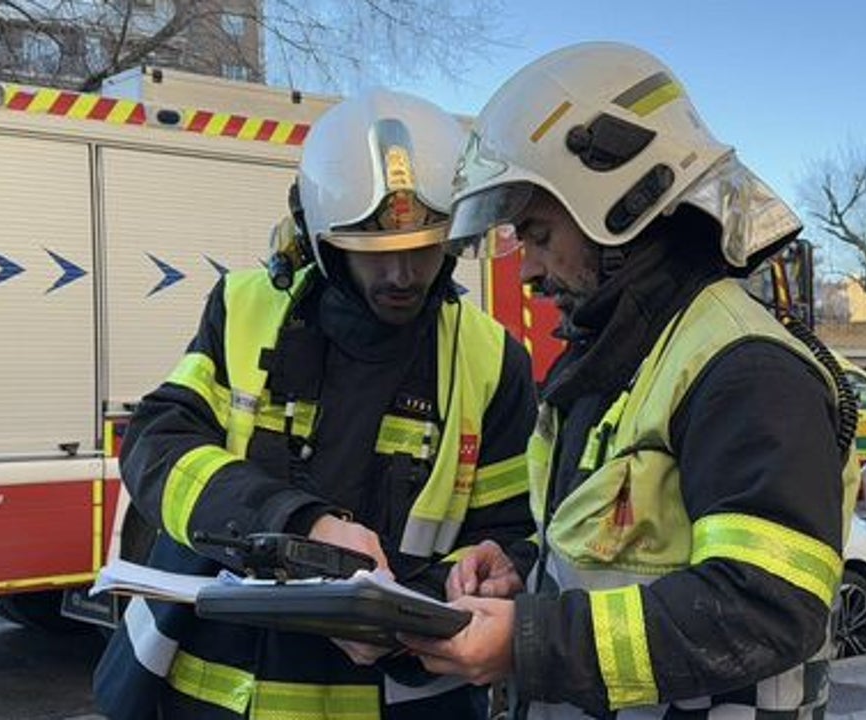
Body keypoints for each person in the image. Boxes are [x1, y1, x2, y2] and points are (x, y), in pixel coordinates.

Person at [401, 42, 859, 718]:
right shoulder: (623, 361)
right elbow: (620, 562)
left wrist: (530, 641)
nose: (526, 271)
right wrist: (522, 573)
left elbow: (761, 607)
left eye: (536, 233)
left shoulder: (746, 372)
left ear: (614, 204)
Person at [93, 88, 538, 719]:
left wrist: (407, 614)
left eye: (423, 248)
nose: (404, 276)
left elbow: (512, 535)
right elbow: (159, 446)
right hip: (209, 699)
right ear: (323, 243)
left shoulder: (491, 360)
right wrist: (301, 527)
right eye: (376, 253)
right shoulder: (242, 309)